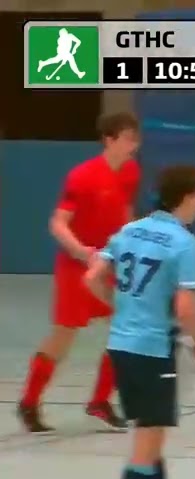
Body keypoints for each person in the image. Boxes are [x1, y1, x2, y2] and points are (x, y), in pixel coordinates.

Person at [83, 165, 195, 479]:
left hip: (121, 344)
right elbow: (185, 307)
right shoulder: (184, 242)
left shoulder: (129, 230)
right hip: (152, 349)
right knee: (148, 439)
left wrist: (123, 309)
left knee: (148, 432)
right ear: (187, 197)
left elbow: (92, 278)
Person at [18, 112, 142, 434]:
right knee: (64, 334)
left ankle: (100, 401)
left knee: (126, 328)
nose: (134, 144)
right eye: (128, 138)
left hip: (110, 263)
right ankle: (29, 401)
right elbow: (58, 222)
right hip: (78, 266)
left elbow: (126, 211)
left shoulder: (130, 171)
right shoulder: (83, 176)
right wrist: (81, 251)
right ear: (109, 140)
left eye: (136, 138)